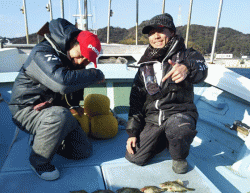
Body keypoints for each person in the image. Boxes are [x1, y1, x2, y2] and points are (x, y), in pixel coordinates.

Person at [8, 18, 105, 181]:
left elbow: (73, 84)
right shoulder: (43, 52)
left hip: (51, 108)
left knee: (83, 151)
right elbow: (62, 83)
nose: (82, 62)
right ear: (73, 42)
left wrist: (74, 105)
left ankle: (46, 139)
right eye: (82, 55)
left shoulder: (71, 59)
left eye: (87, 60)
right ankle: (39, 162)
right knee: (60, 116)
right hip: (26, 110)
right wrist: (96, 74)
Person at [125, 13, 208, 174]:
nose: (155, 36)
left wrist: (187, 68)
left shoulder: (188, 55)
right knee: (135, 158)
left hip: (180, 115)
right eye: (151, 32)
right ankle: (163, 140)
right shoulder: (144, 65)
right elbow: (136, 101)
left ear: (172, 33)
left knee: (179, 128)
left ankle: (179, 157)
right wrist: (133, 133)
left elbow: (201, 69)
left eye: (161, 31)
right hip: (153, 118)